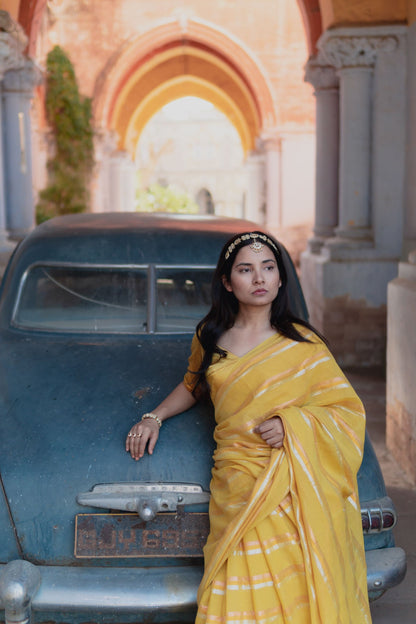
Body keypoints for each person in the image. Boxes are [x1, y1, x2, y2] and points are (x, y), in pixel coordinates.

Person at [125, 231, 372, 623]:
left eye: (268, 268)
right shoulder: (211, 336)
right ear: (228, 282)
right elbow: (194, 385)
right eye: (246, 269)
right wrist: (153, 416)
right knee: (235, 584)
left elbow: (346, 411)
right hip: (236, 483)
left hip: (287, 485)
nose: (259, 278)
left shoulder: (305, 345)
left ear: (279, 279)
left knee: (290, 589)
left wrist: (293, 424)